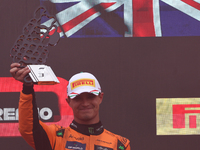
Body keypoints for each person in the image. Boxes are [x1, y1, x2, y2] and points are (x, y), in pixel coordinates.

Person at [10, 62, 131, 150]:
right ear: (68, 102)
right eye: (78, 98)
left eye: (90, 97)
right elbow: (29, 129)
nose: (85, 103)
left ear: (100, 97)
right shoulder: (56, 137)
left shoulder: (120, 144)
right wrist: (27, 87)